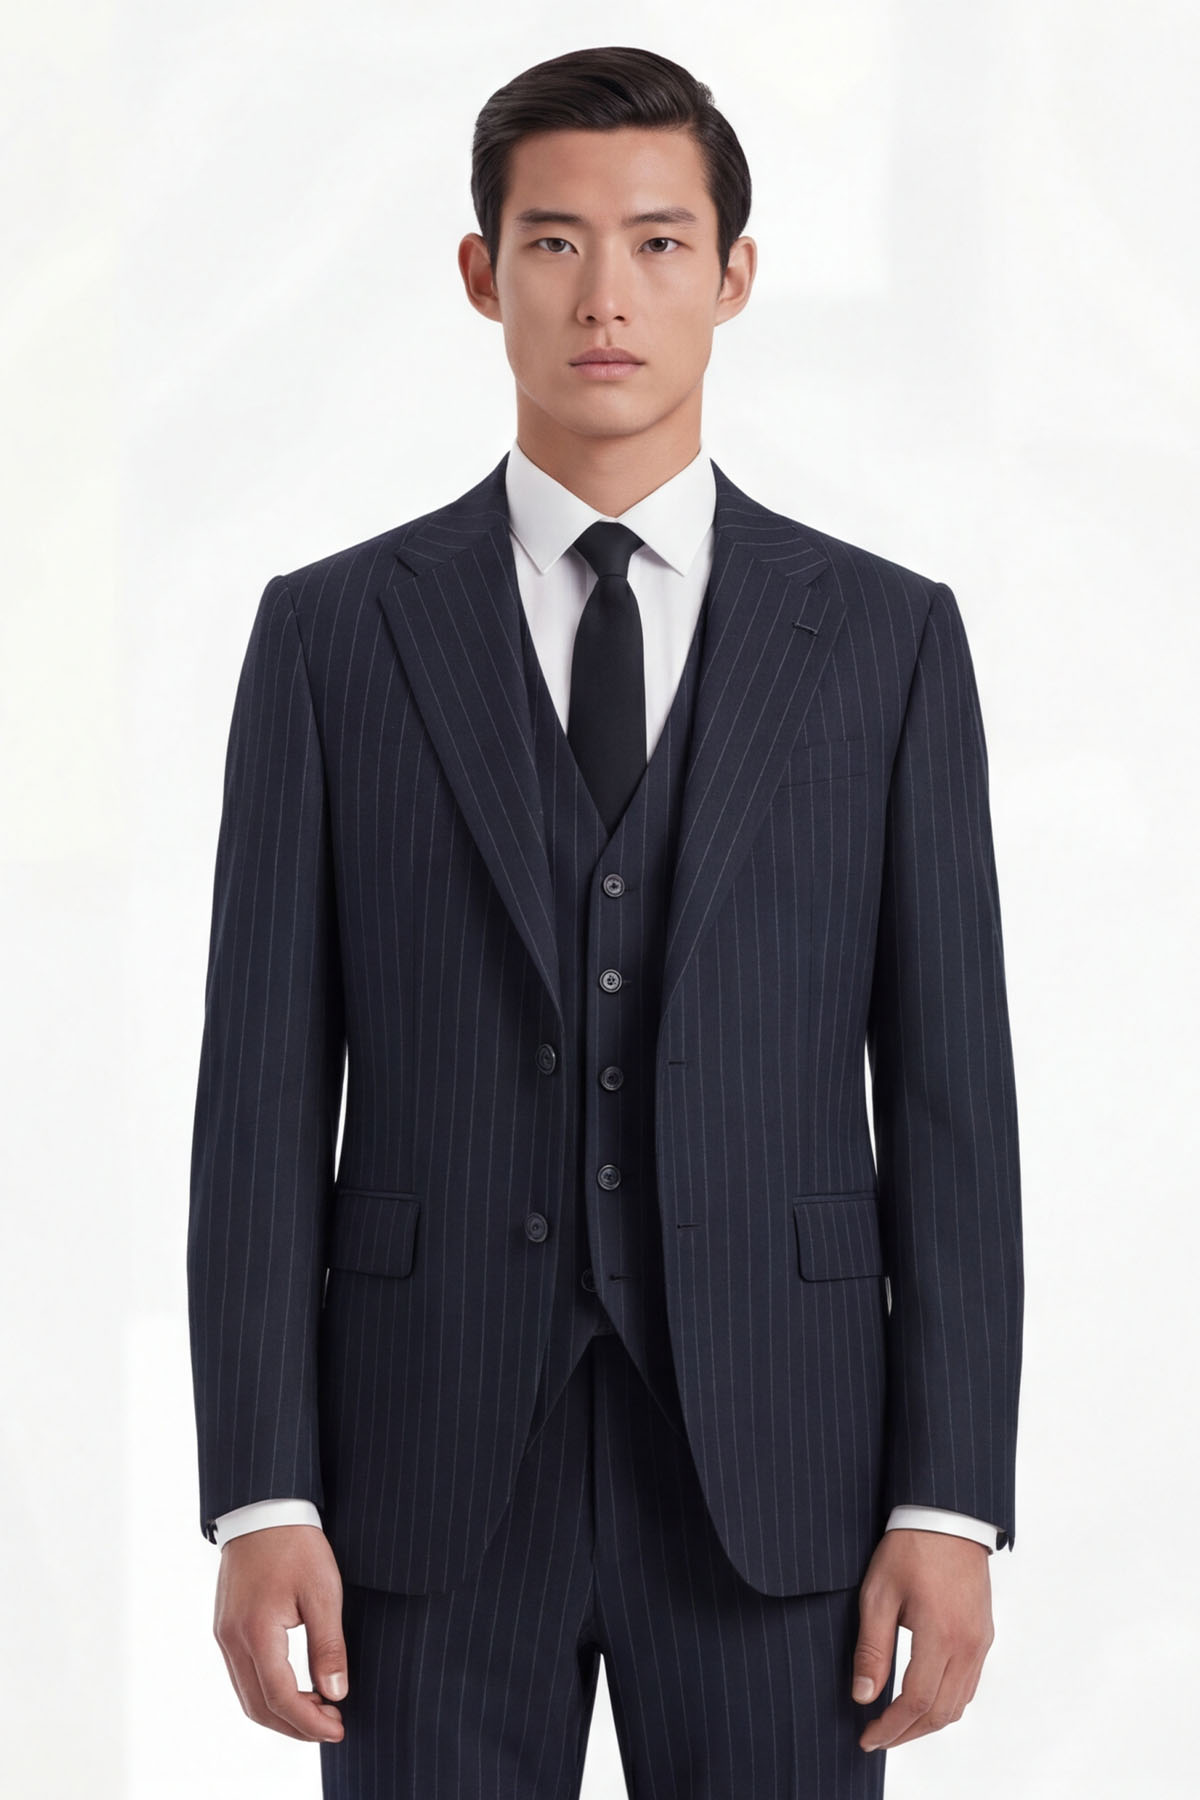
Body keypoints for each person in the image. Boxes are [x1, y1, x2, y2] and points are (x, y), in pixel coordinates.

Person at [187, 44, 1023, 1799]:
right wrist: (263, 1490)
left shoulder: (887, 644)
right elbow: (257, 1096)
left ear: (734, 274)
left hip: (783, 1476)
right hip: (419, 1477)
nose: (606, 297)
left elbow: (954, 1105)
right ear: (480, 273)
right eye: (554, 243)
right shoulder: (332, 638)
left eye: (658, 243)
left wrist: (948, 1500)